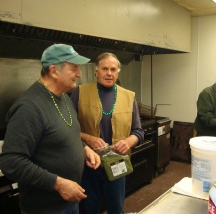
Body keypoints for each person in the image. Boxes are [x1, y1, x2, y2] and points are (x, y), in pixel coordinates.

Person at [0, 44, 101, 214]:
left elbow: (65, 134)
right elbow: (11, 161)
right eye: (74, 68)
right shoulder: (29, 107)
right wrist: (58, 183)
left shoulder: (64, 98)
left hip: (70, 201)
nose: (79, 74)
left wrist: (84, 149)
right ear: (54, 71)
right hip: (45, 209)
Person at [70, 52, 144, 214]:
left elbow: (138, 131)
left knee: (116, 208)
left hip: (118, 163)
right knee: (89, 208)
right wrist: (88, 138)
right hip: (88, 165)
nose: (109, 73)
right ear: (96, 71)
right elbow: (68, 128)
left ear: (118, 72)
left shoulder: (129, 96)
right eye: (104, 69)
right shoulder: (80, 92)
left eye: (113, 69)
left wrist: (128, 142)